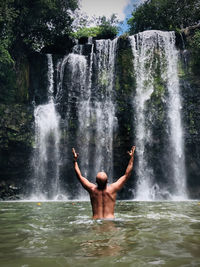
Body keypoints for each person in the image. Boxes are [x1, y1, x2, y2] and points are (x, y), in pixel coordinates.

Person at [72, 146, 136, 219]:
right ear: (107, 181)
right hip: (110, 220)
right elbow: (126, 175)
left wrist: (75, 160)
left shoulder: (92, 189)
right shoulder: (113, 189)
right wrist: (131, 158)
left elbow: (79, 176)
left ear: (95, 181)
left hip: (96, 221)